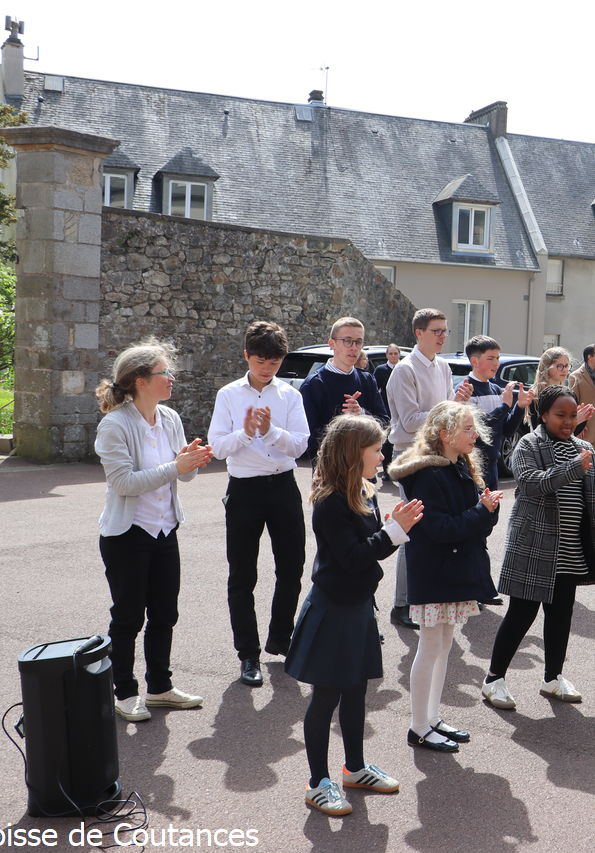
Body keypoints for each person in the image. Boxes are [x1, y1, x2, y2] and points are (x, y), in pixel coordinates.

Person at [285, 415, 422, 817]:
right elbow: (352, 557)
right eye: (376, 450)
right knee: (326, 697)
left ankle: (355, 769)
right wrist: (393, 531)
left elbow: (370, 548)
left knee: (357, 690)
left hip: (358, 606)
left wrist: (393, 529)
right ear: (353, 453)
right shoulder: (330, 501)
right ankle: (317, 783)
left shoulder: (363, 489)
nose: (382, 457)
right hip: (333, 610)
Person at [482, 384, 595, 709]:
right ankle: (493, 679)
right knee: (521, 614)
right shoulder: (529, 444)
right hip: (534, 547)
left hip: (570, 549)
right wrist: (573, 468)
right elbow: (531, 483)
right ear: (544, 415)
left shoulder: (583, 447)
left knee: (560, 616)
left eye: (572, 415)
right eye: (560, 415)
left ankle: (553, 678)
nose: (568, 421)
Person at [94, 339, 212, 722]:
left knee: (165, 613)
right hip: (127, 535)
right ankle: (125, 693)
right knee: (128, 617)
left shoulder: (170, 418)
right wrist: (176, 467)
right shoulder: (114, 425)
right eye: (165, 372)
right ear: (141, 381)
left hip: (164, 530)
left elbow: (183, 476)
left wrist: (190, 462)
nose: (171, 377)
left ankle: (159, 687)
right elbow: (123, 483)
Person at [389, 401, 502, 751]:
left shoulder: (460, 466)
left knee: (444, 645)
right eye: (467, 429)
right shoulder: (429, 475)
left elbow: (475, 525)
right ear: (444, 435)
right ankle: (419, 726)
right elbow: (441, 529)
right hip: (435, 572)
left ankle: (433, 718)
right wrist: (481, 511)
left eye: (473, 428)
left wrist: (487, 510)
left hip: (452, 571)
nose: (475, 435)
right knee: (430, 647)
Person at [208, 321, 311, 687]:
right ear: (247, 356)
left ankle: (280, 639)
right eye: (261, 361)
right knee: (242, 574)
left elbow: (300, 445)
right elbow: (217, 447)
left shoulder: (290, 395)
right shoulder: (229, 394)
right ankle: (248, 654)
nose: (267, 369)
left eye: (275, 362)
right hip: (244, 489)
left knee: (292, 568)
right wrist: (247, 432)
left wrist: (269, 432)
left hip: (283, 486)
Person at [384, 309, 474, 630]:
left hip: (439, 454)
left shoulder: (444, 365)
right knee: (412, 528)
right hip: (412, 455)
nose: (443, 336)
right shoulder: (404, 370)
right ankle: (401, 604)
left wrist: (457, 403)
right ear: (418, 333)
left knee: (434, 528)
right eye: (437, 330)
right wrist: (449, 410)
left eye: (445, 331)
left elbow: (446, 414)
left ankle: (427, 597)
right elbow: (410, 422)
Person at [300, 317, 389, 457]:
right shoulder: (314, 384)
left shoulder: (367, 379)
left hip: (364, 467)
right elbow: (308, 438)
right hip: (330, 467)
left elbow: (384, 423)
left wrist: (362, 414)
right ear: (332, 344)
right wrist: (347, 424)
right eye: (347, 341)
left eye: (358, 342)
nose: (354, 347)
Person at [457, 334, 532, 490]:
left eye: (497, 358)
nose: (496, 363)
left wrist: (519, 407)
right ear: (474, 361)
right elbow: (479, 428)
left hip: (493, 464)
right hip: (473, 464)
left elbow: (507, 430)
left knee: (493, 505)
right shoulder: (466, 390)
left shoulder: (496, 389)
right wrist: (504, 406)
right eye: (490, 358)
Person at [372, 344, 402, 481]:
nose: (393, 356)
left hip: (403, 410)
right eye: (391, 353)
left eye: (395, 353)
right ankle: (387, 470)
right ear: (387, 355)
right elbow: (374, 390)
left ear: (399, 354)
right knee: (387, 442)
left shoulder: (404, 369)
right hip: (386, 410)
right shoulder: (381, 370)